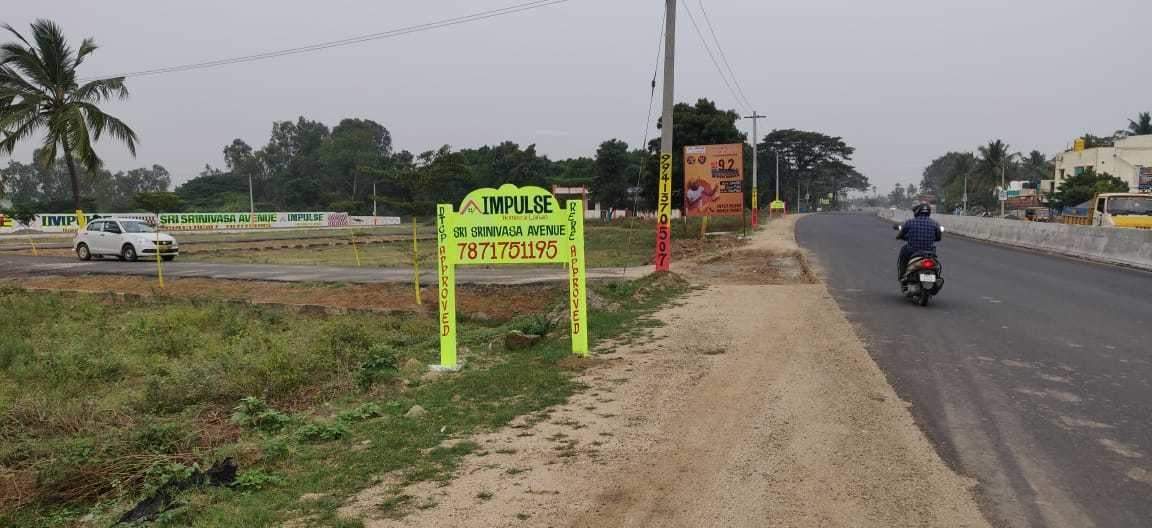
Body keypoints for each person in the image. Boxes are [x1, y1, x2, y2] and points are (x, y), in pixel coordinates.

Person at [896, 203, 942, 279]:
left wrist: (899, 237)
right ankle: (936, 276)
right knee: (936, 263)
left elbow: (900, 235)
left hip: (912, 250)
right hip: (929, 252)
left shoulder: (910, 222)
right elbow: (938, 238)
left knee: (903, 252)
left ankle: (902, 275)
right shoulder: (935, 223)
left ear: (917, 212)